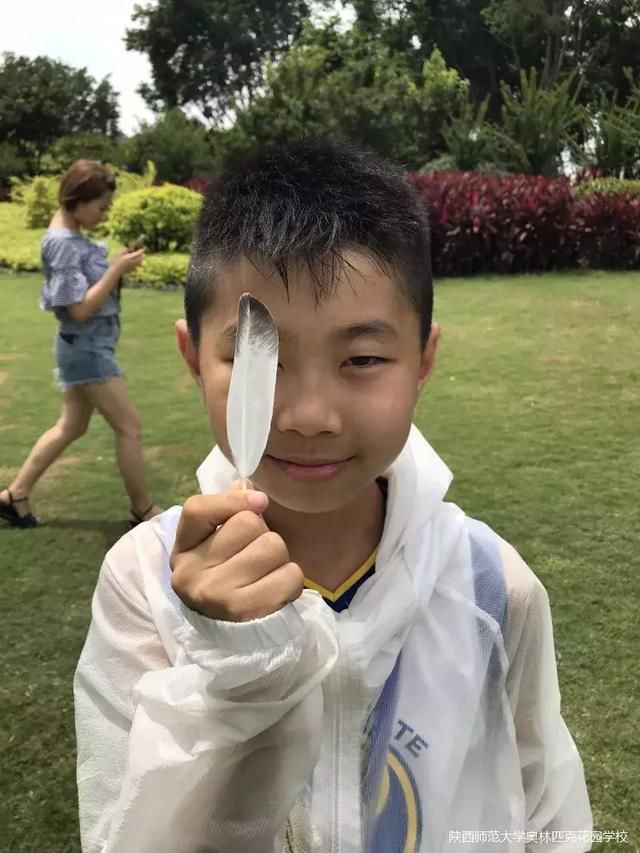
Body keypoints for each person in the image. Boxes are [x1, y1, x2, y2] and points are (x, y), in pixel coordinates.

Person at [73, 139, 591, 853]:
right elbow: (123, 835)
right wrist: (239, 672)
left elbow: (546, 816)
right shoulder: (144, 586)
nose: (310, 415)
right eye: (261, 359)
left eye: (363, 359)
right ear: (194, 357)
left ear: (423, 359)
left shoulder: (493, 588)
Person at [0, 160, 162, 530]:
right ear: (77, 201)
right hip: (86, 350)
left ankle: (15, 495)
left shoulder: (68, 238)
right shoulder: (63, 245)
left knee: (70, 427)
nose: (105, 214)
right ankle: (142, 509)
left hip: (81, 346)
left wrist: (116, 265)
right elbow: (80, 308)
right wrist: (116, 270)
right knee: (129, 427)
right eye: (101, 207)